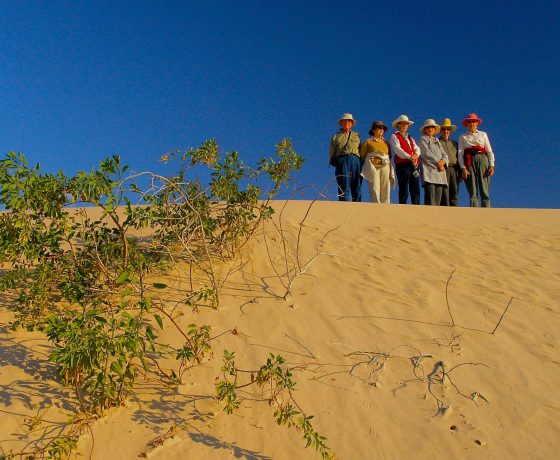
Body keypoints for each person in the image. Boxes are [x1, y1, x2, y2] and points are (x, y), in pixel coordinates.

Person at [458, 113, 495, 207]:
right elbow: (460, 153)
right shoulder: (462, 137)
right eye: (469, 122)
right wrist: (463, 167)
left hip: (482, 158)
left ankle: (486, 209)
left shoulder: (483, 134)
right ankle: (474, 210)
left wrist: (491, 165)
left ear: (477, 123)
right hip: (469, 160)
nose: (472, 124)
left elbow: (489, 151)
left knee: (484, 186)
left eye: (474, 121)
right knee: (472, 187)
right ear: (466, 124)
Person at [329, 113, 362, 201]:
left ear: (351, 124)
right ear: (341, 123)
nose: (347, 122)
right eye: (345, 121)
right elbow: (332, 151)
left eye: (349, 121)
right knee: (343, 184)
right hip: (342, 159)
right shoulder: (336, 136)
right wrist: (333, 160)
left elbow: (361, 149)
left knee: (357, 185)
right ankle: (344, 207)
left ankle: (358, 207)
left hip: (356, 160)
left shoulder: (357, 135)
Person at [390, 115, 421, 204]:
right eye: (403, 123)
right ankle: (403, 205)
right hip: (402, 165)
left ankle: (416, 205)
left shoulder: (410, 138)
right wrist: (410, 157)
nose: (405, 125)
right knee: (404, 186)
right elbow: (397, 150)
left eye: (406, 124)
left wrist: (415, 155)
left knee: (415, 186)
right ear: (398, 125)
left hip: (413, 165)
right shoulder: (394, 136)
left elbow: (417, 148)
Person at [360, 121, 393, 203]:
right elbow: (362, 155)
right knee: (374, 187)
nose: (382, 130)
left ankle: (386, 206)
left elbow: (389, 155)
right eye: (379, 128)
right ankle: (375, 206)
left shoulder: (386, 142)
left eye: (383, 128)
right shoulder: (368, 141)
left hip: (385, 166)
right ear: (374, 130)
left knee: (386, 186)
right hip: (373, 166)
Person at [418, 119, 448, 206]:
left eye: (432, 127)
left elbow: (444, 154)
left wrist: (443, 162)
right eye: (428, 127)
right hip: (429, 171)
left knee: (438, 198)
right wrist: (438, 163)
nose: (430, 129)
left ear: (435, 129)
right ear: (425, 129)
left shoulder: (437, 141)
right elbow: (426, 154)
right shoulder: (423, 139)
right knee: (430, 197)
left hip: (440, 172)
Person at [438, 118, 460, 206]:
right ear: (440, 130)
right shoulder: (437, 142)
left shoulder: (455, 143)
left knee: (454, 191)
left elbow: (459, 157)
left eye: (448, 129)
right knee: (444, 191)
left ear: (450, 131)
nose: (445, 131)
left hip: (454, 169)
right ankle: (445, 212)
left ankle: (455, 211)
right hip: (444, 169)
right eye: (443, 129)